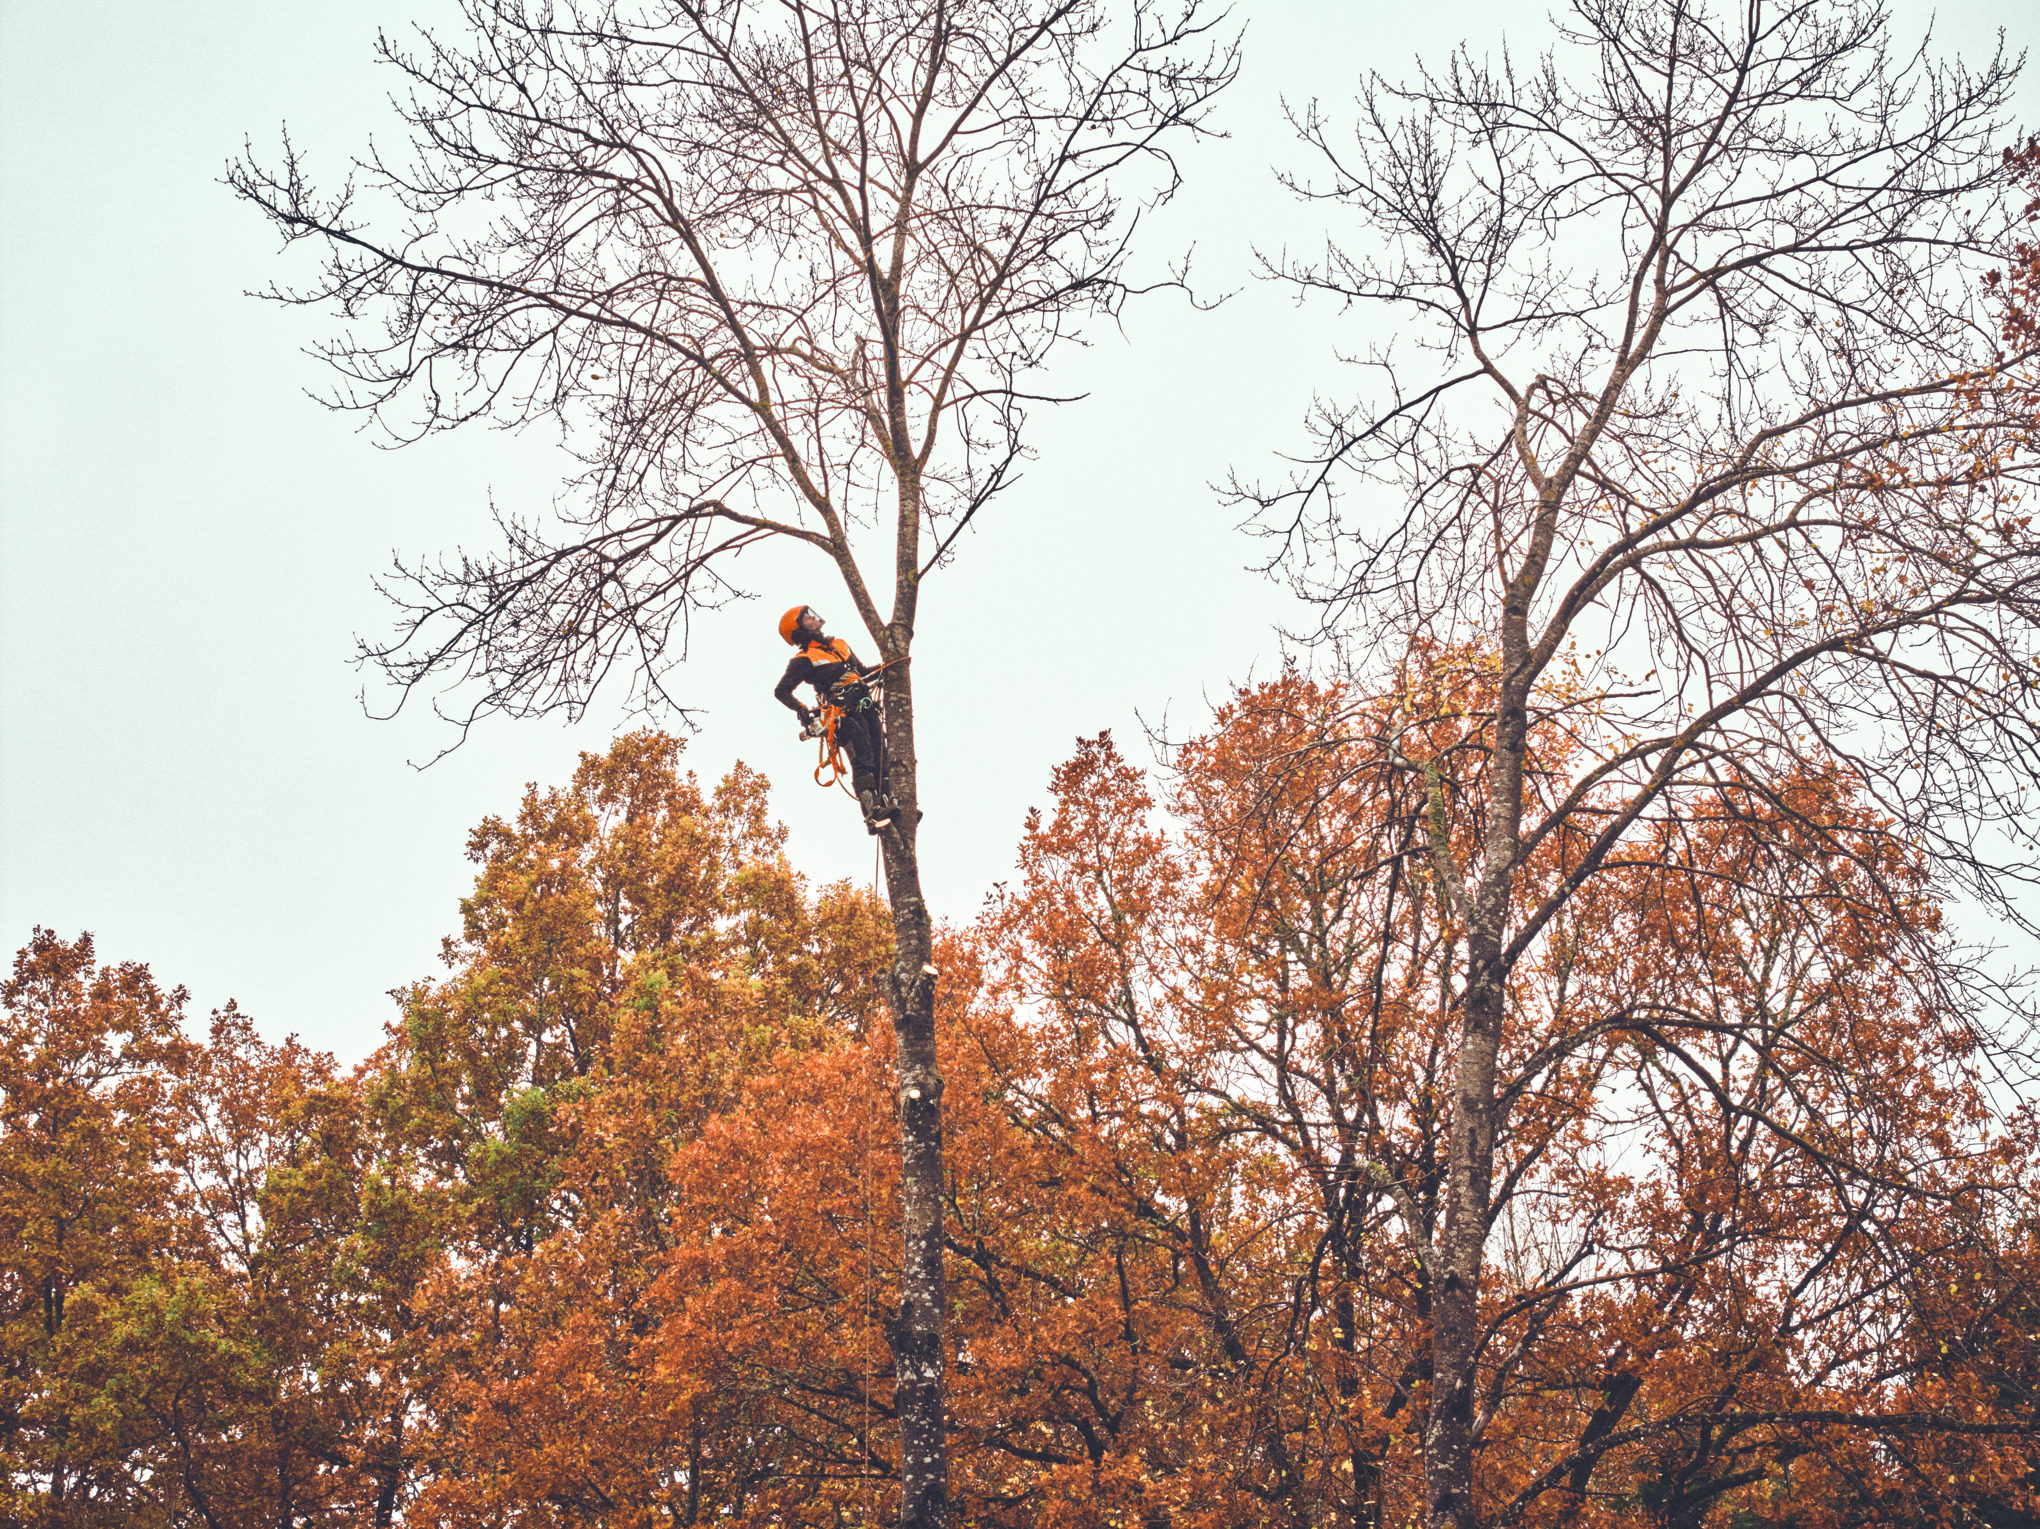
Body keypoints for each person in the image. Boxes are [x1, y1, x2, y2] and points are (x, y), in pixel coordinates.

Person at [774, 605, 900, 832]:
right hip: (842, 713)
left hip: (865, 704)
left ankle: (890, 804)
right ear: (799, 629)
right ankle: (872, 812)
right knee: (864, 759)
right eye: (807, 617)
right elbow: (781, 691)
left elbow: (863, 673)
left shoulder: (839, 644)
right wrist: (801, 709)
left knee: (881, 756)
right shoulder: (804, 659)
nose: (813, 617)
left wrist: (888, 667)